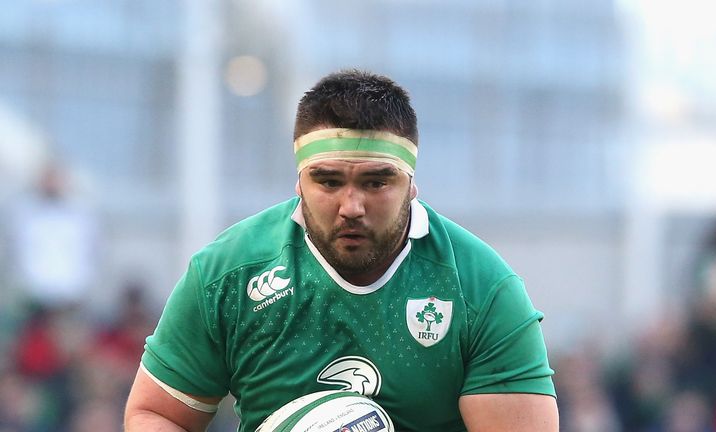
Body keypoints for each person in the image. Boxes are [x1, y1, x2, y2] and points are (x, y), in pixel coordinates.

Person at [124, 69, 558, 431]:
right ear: (299, 183)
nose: (351, 207)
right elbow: (157, 414)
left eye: (376, 182)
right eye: (328, 181)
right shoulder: (230, 275)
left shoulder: (481, 290)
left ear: (411, 185)